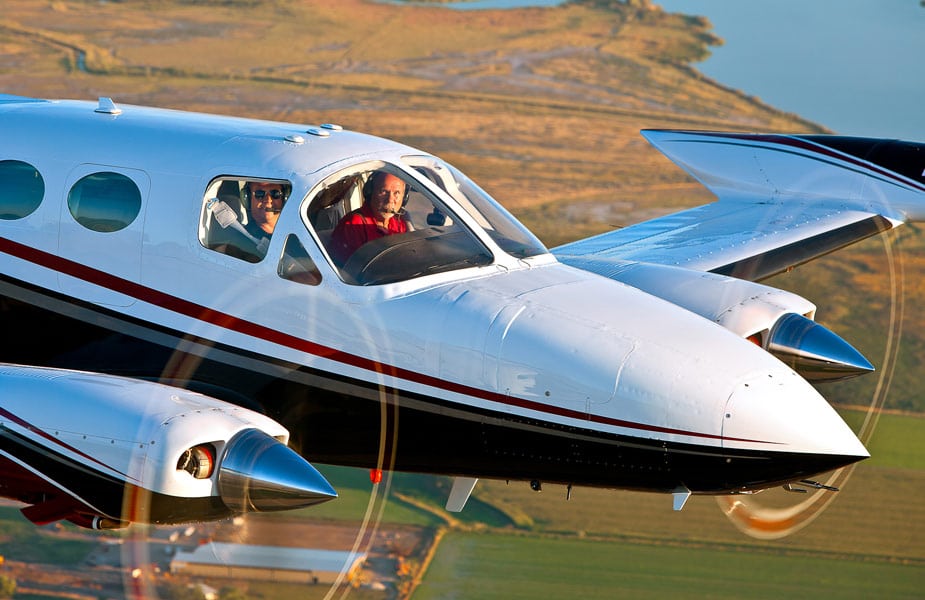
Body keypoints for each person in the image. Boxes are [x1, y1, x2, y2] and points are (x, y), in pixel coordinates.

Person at [329, 171, 409, 266]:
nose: (390, 200)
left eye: (397, 193)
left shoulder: (399, 223)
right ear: (370, 192)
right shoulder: (353, 225)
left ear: (404, 198)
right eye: (383, 192)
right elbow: (347, 272)